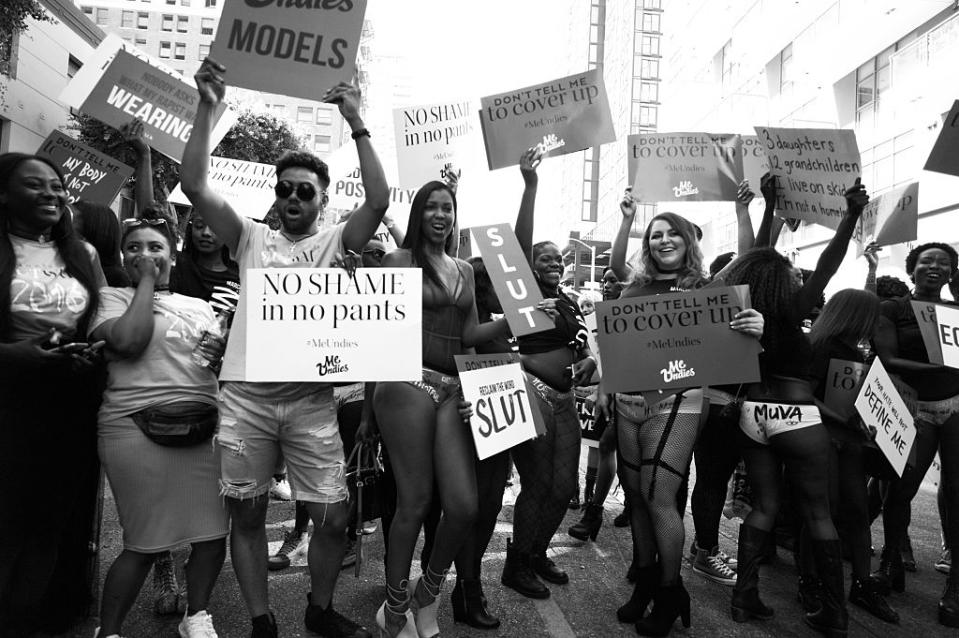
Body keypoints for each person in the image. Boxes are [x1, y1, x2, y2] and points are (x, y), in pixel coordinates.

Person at [182, 57, 390, 638]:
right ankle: (260, 619)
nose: (293, 195)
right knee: (245, 513)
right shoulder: (249, 237)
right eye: (285, 189)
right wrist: (206, 105)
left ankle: (318, 609)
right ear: (275, 197)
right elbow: (195, 186)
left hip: (311, 402)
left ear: (322, 200)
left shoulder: (332, 242)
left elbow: (377, 200)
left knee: (333, 515)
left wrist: (357, 122)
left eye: (306, 190)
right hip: (246, 399)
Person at [600, 191, 763, 637]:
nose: (663, 240)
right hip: (629, 404)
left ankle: (672, 592)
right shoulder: (634, 287)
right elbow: (616, 270)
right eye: (655, 235)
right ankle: (647, 579)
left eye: (672, 233)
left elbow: (749, 262)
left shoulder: (702, 289)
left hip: (678, 402)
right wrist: (627, 219)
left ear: (688, 243)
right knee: (634, 496)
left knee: (659, 498)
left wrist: (744, 212)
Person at [720, 177, 868, 637]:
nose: (797, 274)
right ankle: (834, 612)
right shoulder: (795, 308)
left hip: (752, 416)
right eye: (789, 270)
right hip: (798, 417)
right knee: (817, 513)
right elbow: (828, 264)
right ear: (781, 278)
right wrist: (849, 217)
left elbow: (758, 255)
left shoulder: (739, 313)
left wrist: (768, 210)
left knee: (763, 506)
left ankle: (744, 597)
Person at [372, 180, 509, 638]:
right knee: (414, 501)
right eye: (430, 206)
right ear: (417, 214)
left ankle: (425, 595)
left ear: (455, 215)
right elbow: (379, 338)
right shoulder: (397, 261)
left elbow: (468, 336)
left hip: (453, 389)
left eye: (447, 207)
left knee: (464, 505)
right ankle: (393, 611)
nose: (439, 215)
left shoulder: (465, 271)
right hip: (406, 381)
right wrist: (368, 419)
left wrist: (514, 320)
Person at [90, 213, 229, 638]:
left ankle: (197, 616)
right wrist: (146, 284)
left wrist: (222, 350)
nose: (144, 254)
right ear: (122, 256)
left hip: (202, 430)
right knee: (146, 542)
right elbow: (130, 340)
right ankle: (108, 630)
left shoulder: (202, 306)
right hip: (134, 428)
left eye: (155, 248)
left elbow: (213, 369)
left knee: (211, 534)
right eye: (134, 248)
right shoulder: (110, 298)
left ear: (173, 254)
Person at [0, 153, 106, 637]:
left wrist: (92, 352)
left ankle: (27, 621)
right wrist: (13, 356)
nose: (51, 193)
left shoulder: (81, 253)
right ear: (4, 194)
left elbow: (101, 320)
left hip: (68, 406)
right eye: (35, 185)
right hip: (9, 406)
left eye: (58, 186)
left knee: (48, 527)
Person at [872, 241, 959, 628]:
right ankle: (891, 561)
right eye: (927, 261)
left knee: (957, 493)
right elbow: (888, 359)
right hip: (912, 408)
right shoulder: (891, 309)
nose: (935, 267)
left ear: (952, 274)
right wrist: (945, 366)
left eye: (944, 263)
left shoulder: (956, 312)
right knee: (900, 487)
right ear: (912, 268)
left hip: (954, 405)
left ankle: (955, 586)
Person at [807, 288, 899, 624]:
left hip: (850, 442)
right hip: (824, 439)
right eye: (872, 316)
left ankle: (861, 584)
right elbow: (803, 394)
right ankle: (813, 583)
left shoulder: (858, 354)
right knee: (823, 512)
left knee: (857, 513)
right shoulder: (821, 348)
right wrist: (840, 419)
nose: (877, 323)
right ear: (857, 315)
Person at [569, 267, 622, 542]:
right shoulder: (599, 317)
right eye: (605, 280)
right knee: (604, 446)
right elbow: (606, 357)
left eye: (613, 280)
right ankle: (594, 509)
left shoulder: (631, 310)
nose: (606, 285)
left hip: (649, 397)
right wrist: (602, 389)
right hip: (614, 395)